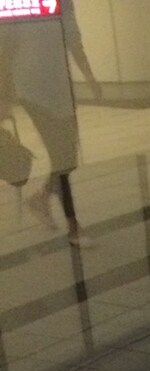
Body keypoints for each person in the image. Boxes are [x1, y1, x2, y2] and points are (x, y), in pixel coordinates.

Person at [0, 0, 100, 245]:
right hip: (32, 90)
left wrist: (89, 77)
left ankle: (41, 198)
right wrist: (4, 96)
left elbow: (73, 40)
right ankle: (73, 226)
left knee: (69, 155)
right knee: (61, 156)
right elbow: (6, 48)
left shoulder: (64, 3)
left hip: (60, 87)